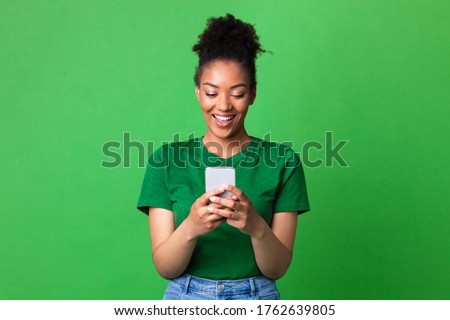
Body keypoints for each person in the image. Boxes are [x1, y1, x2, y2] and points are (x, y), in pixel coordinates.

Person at [137, 13, 310, 300]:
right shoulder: (165, 161)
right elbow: (166, 267)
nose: (223, 105)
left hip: (258, 296)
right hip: (186, 296)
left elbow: (277, 268)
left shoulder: (283, 162)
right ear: (197, 93)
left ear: (252, 94)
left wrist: (255, 226)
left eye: (237, 93)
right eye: (211, 92)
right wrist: (191, 227)